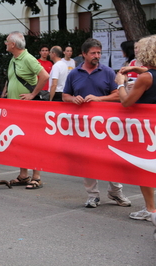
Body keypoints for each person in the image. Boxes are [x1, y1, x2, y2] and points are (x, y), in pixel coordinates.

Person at [63, 38, 131, 208]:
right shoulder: (74, 74)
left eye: (99, 53)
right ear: (84, 54)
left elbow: (118, 95)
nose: (97, 56)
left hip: (107, 125)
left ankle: (116, 192)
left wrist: (99, 99)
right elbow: (65, 96)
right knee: (87, 160)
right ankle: (92, 195)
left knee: (112, 158)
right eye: (93, 53)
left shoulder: (108, 72)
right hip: (84, 126)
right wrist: (74, 99)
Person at [116, 35, 156, 222]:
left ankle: (151, 209)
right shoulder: (147, 74)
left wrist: (120, 84)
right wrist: (135, 68)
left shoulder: (144, 78)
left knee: (144, 169)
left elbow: (126, 101)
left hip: (146, 129)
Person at [5, 31, 49, 189]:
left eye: (7, 41)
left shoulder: (28, 58)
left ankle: (36, 176)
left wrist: (33, 94)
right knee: (20, 141)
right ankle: (23, 175)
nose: (5, 43)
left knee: (33, 142)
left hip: (27, 109)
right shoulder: (14, 58)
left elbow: (45, 76)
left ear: (13, 45)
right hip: (15, 108)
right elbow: (11, 79)